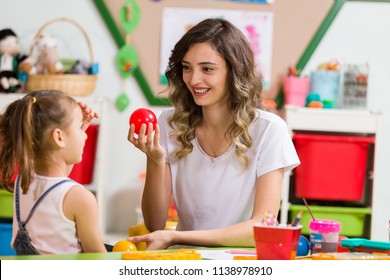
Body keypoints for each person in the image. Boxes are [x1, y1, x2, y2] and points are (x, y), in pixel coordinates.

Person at [127, 18, 300, 250]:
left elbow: (262, 227)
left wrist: (178, 237)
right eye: (187, 67)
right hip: (186, 260)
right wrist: (155, 159)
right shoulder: (170, 123)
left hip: (240, 261)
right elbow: (154, 223)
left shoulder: (269, 129)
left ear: (235, 71)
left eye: (207, 69)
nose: (194, 79)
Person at [0, 90, 107, 255]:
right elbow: (98, 259)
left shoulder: (23, 182)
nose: (84, 136)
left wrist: (79, 129)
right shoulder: (81, 199)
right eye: (79, 128)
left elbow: (59, 179)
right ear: (58, 137)